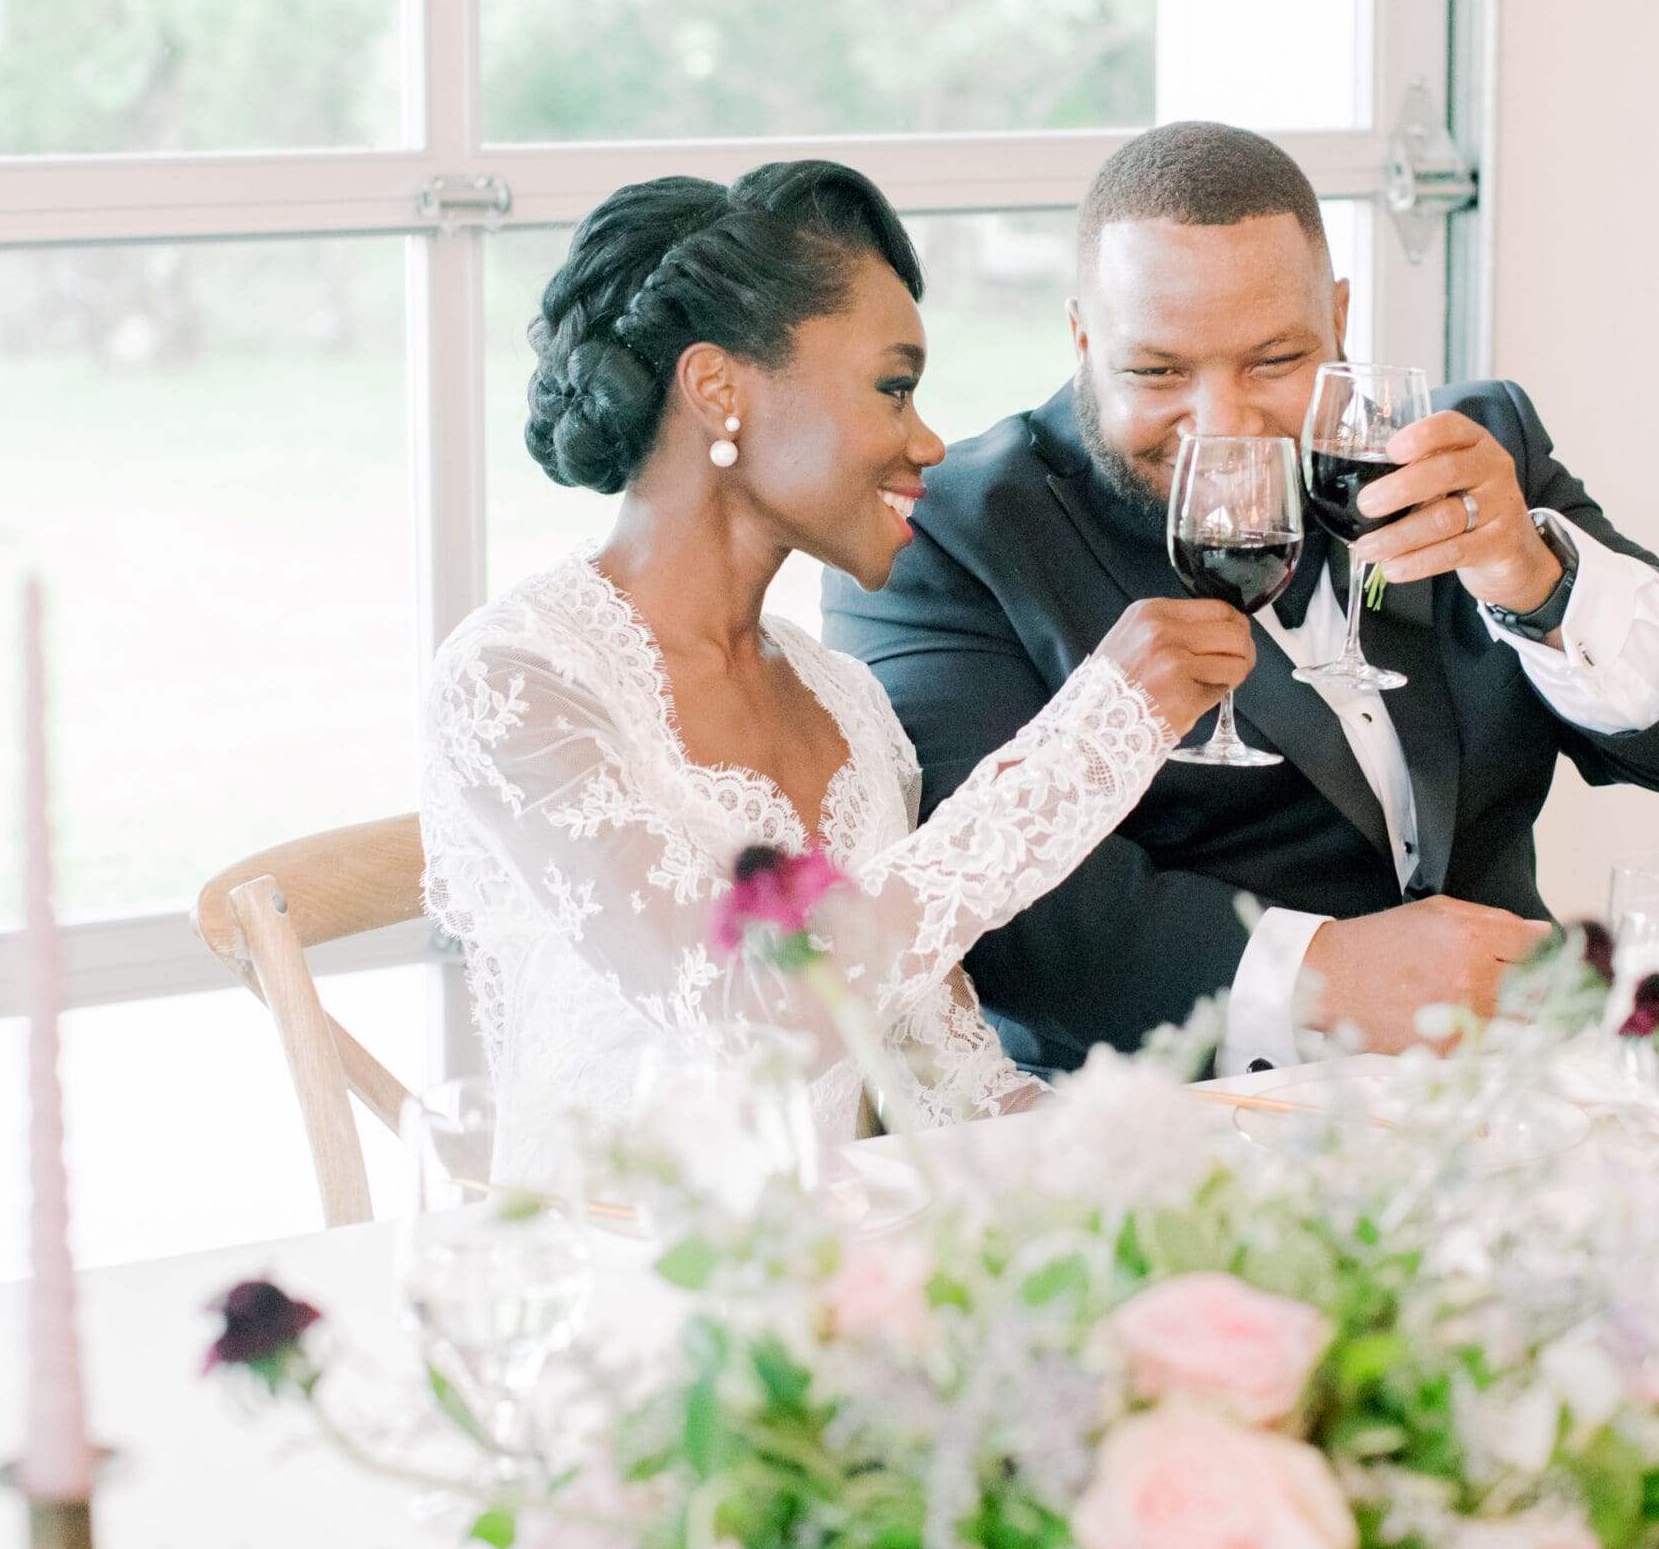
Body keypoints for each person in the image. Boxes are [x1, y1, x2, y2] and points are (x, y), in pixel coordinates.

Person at [825, 122, 1659, 1076]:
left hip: (1518, 1087)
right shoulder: (948, 533)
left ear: (1340, 320)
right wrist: (1324, 980)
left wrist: (1537, 576)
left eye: (1274, 363)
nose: (1225, 426)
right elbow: (991, 916)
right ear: (1081, 337)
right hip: (1179, 1132)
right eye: (1158, 372)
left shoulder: (1465, 450)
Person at [420, 160, 1254, 1149]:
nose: (930, 441)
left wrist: (1192, 1146)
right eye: (892, 388)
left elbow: (956, 1091)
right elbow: (747, 1016)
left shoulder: (848, 705)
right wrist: (1086, 745)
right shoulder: (517, 683)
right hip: (610, 1278)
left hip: (840, 1273)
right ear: (717, 387)